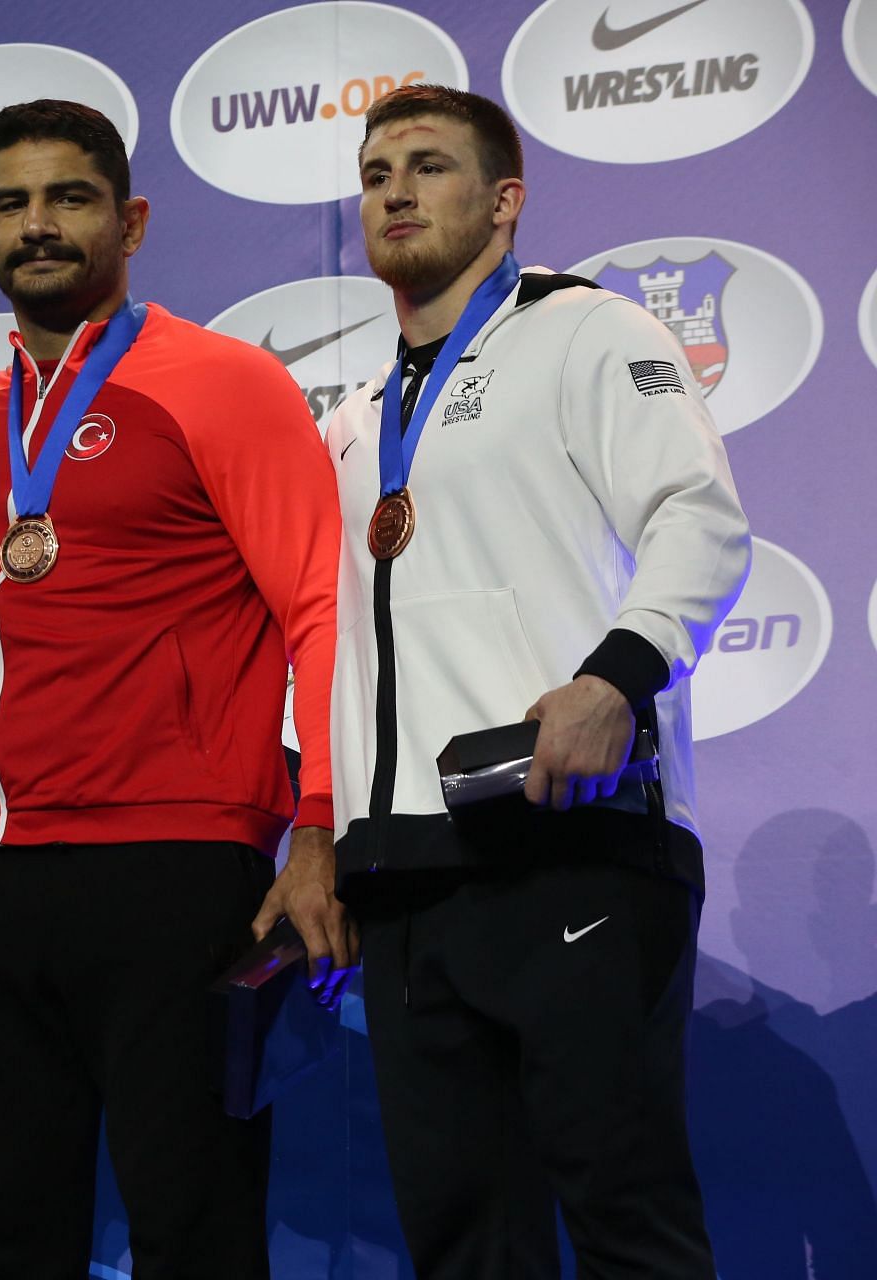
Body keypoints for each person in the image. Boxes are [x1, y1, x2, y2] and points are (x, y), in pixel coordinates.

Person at [0, 99, 346, 1278]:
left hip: (172, 860)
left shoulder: (223, 383)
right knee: (4, 1236)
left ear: (132, 218)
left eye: (70, 197)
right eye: (11, 202)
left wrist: (317, 827)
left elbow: (323, 606)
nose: (37, 225)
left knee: (192, 1226)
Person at [329, 84, 749, 1277]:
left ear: (504, 202)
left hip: (574, 840)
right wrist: (325, 831)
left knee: (628, 1224)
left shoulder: (592, 331)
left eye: (428, 165)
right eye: (374, 172)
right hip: (404, 875)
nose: (395, 190)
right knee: (464, 1244)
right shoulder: (355, 419)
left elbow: (700, 520)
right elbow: (339, 643)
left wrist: (617, 677)